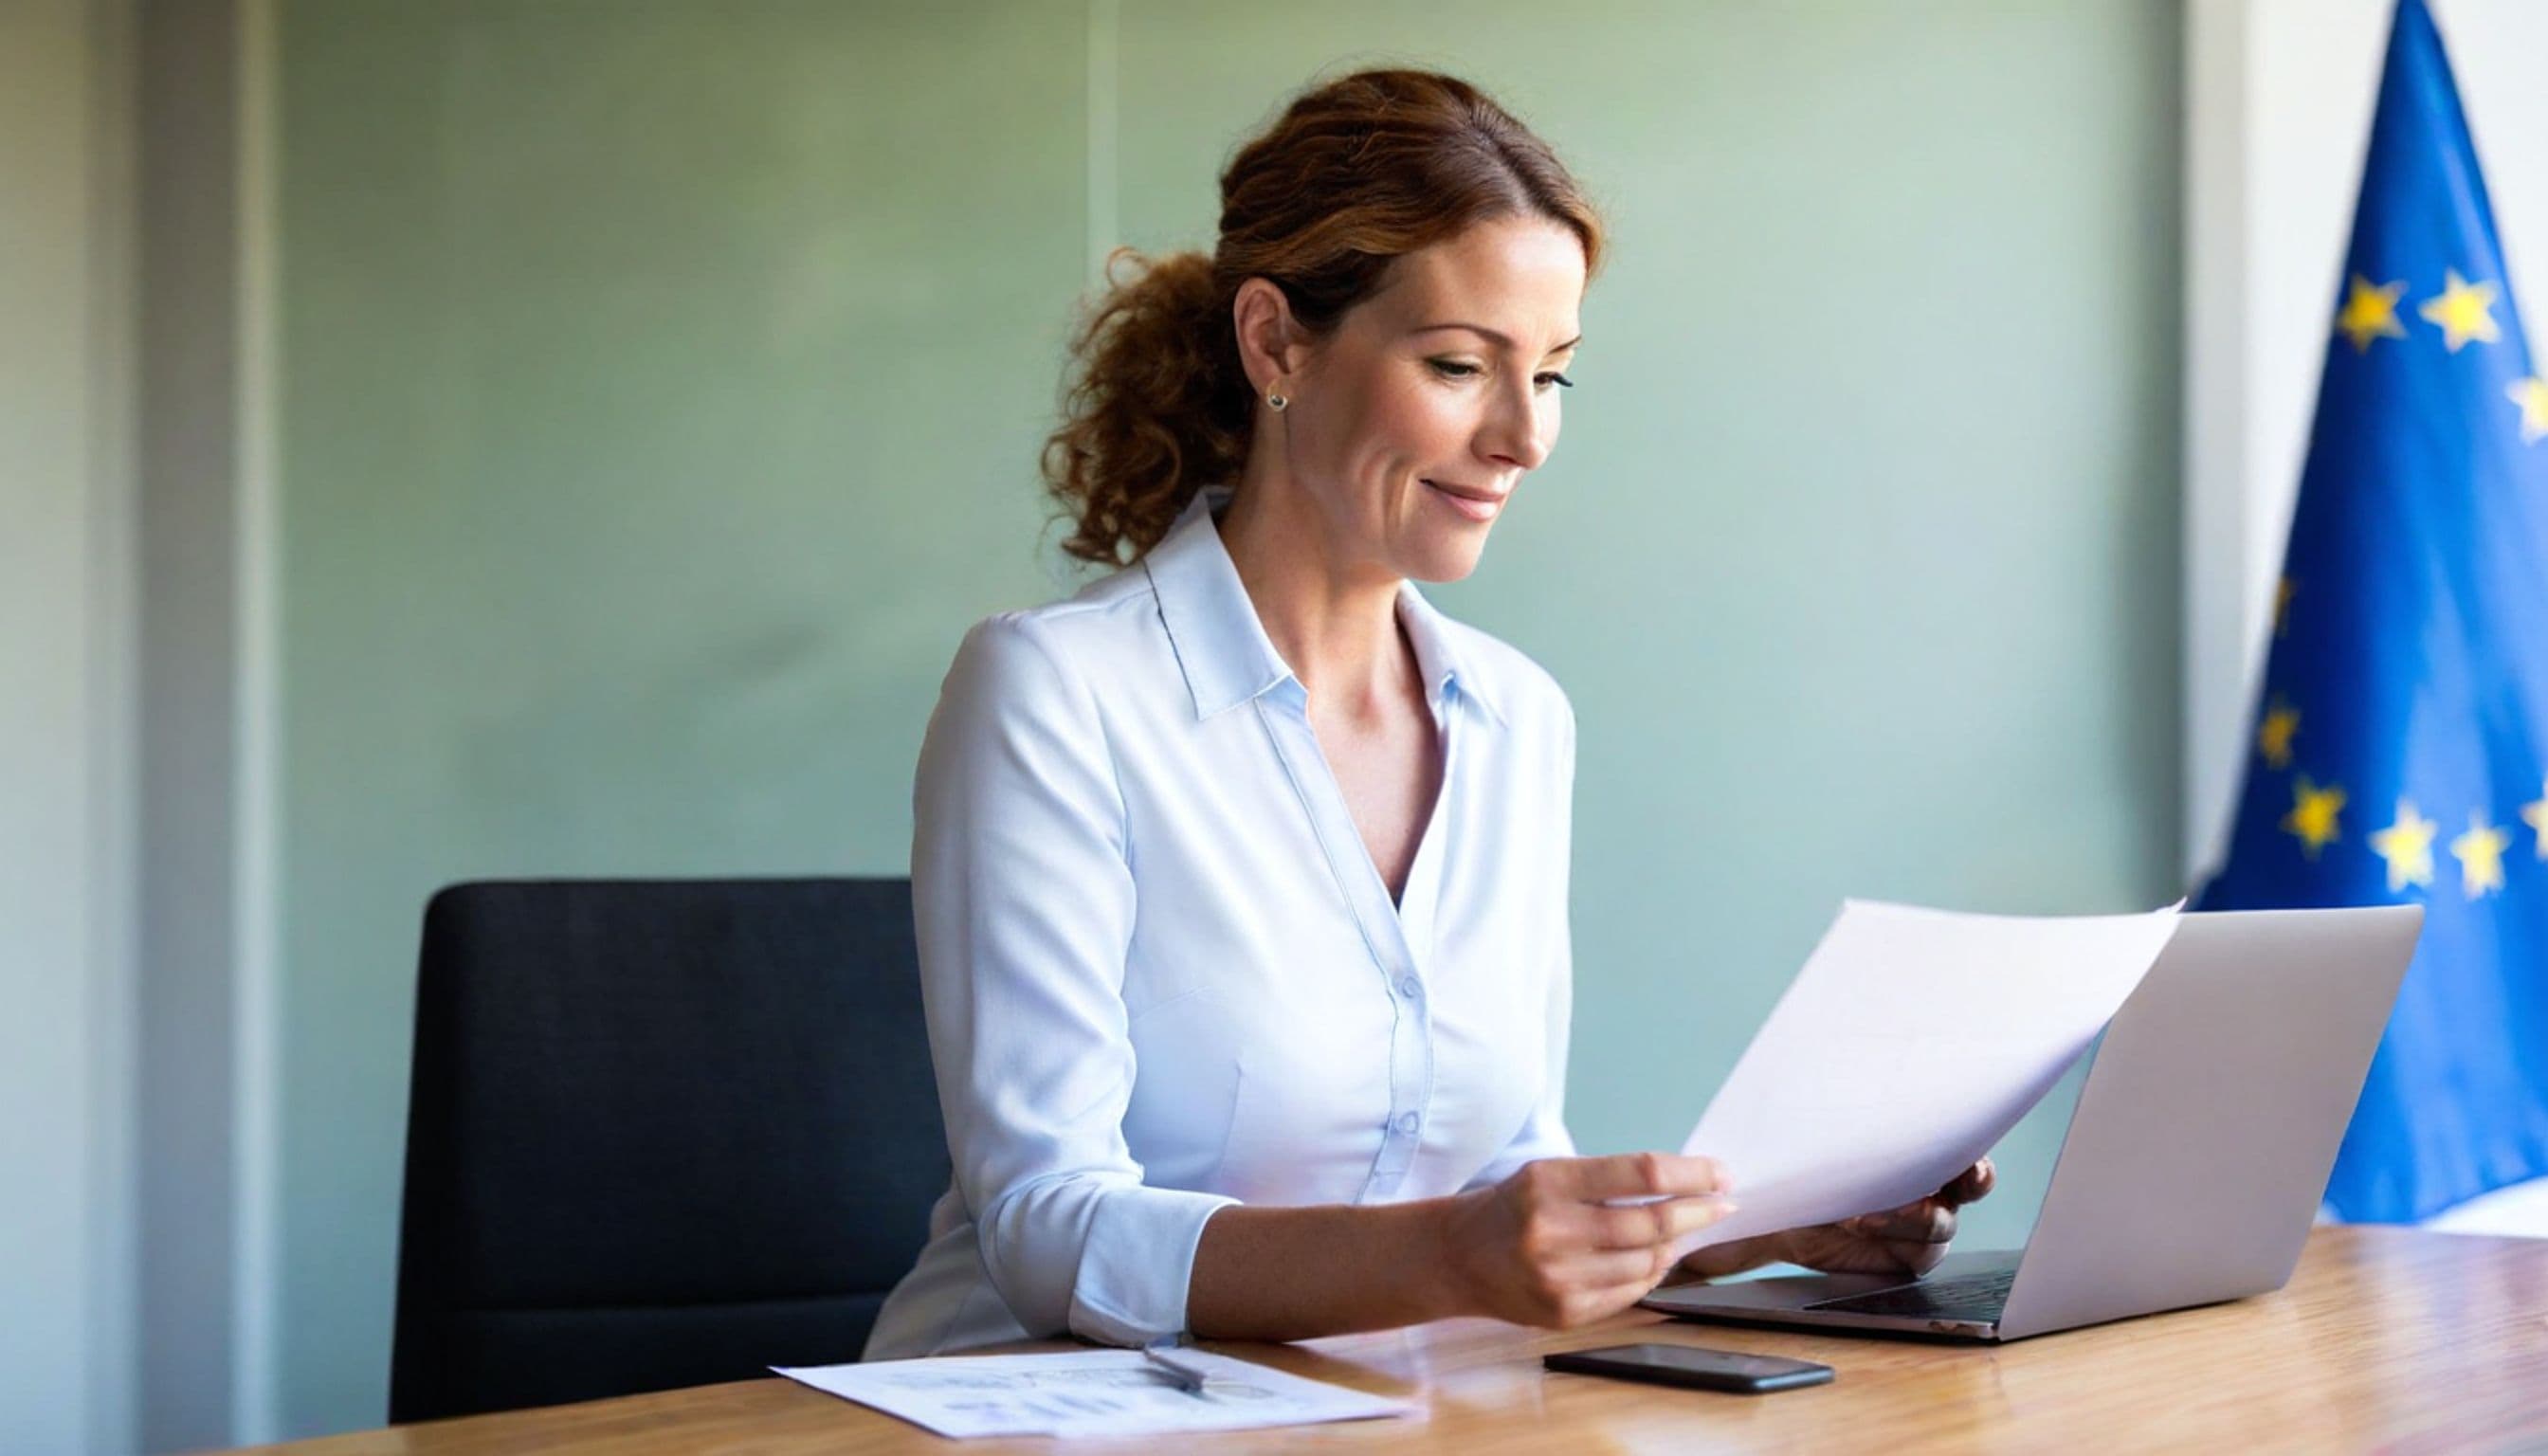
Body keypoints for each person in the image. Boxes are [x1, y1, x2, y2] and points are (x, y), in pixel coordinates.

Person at [861, 66, 1991, 1361]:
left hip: (1382, 1408)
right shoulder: (1057, 693)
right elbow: (1045, 1224)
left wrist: (1750, 1231)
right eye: (1461, 365)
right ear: (1276, 342)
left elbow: (1505, 1172)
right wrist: (1457, 1251)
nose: (1523, 437)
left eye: (1554, 376)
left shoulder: (1517, 719)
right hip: (1042, 1413)